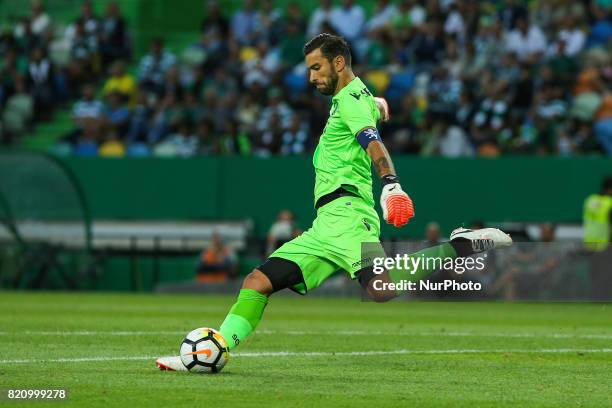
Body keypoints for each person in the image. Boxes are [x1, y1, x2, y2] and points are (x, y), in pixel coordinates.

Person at [156, 34, 512, 370]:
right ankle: (208, 351)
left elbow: (372, 141)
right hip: (324, 224)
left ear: (338, 63)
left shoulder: (349, 100)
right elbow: (365, 112)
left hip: (348, 213)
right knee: (256, 282)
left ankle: (460, 245)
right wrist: (378, 106)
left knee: (381, 288)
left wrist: (391, 183)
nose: (311, 77)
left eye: (316, 67)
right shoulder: (354, 99)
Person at [583, 176, 612, 300]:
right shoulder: (609, 203)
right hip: (605, 245)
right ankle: (603, 302)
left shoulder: (590, 200)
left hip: (589, 244)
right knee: (605, 278)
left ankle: (594, 301)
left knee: (594, 277)